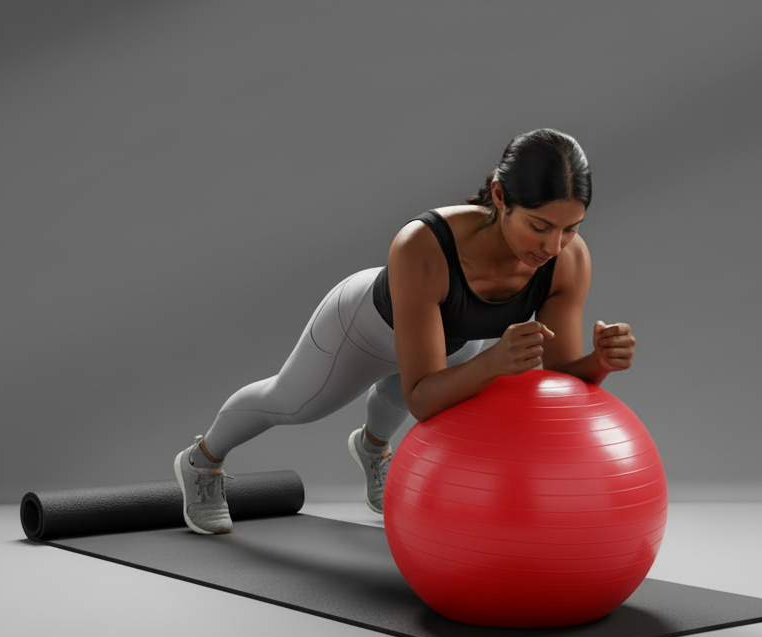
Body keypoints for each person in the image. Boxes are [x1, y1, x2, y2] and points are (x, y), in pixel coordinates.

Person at [174, 128, 636, 534]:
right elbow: (424, 399)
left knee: (401, 396)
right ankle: (201, 461)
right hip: (363, 330)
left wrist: (599, 362)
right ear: (499, 196)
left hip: (456, 340)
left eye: (571, 229)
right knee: (291, 403)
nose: (553, 246)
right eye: (539, 226)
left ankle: (372, 449)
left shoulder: (568, 260)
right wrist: (493, 363)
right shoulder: (422, 243)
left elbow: (559, 381)